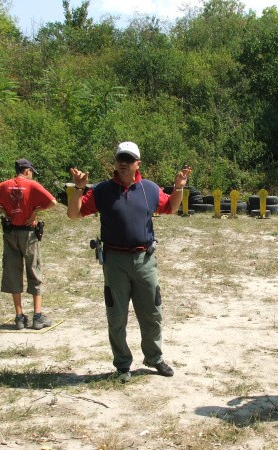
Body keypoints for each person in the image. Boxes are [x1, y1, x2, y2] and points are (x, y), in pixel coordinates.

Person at [67, 141, 191, 382]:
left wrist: (178, 188)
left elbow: (171, 208)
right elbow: (73, 214)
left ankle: (154, 358)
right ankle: (123, 365)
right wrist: (78, 189)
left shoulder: (150, 189)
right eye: (119, 159)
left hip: (145, 260)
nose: (123, 163)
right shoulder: (102, 191)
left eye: (128, 159)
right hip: (115, 262)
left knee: (152, 312)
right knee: (117, 316)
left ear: (138, 164)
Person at [0, 158, 57, 330]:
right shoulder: (32, 185)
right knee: (34, 271)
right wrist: (35, 211)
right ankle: (37, 316)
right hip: (28, 234)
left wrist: (2, 209)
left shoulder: (3, 186)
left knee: (13, 271)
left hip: (10, 233)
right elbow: (53, 202)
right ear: (27, 171)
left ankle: (19, 317)